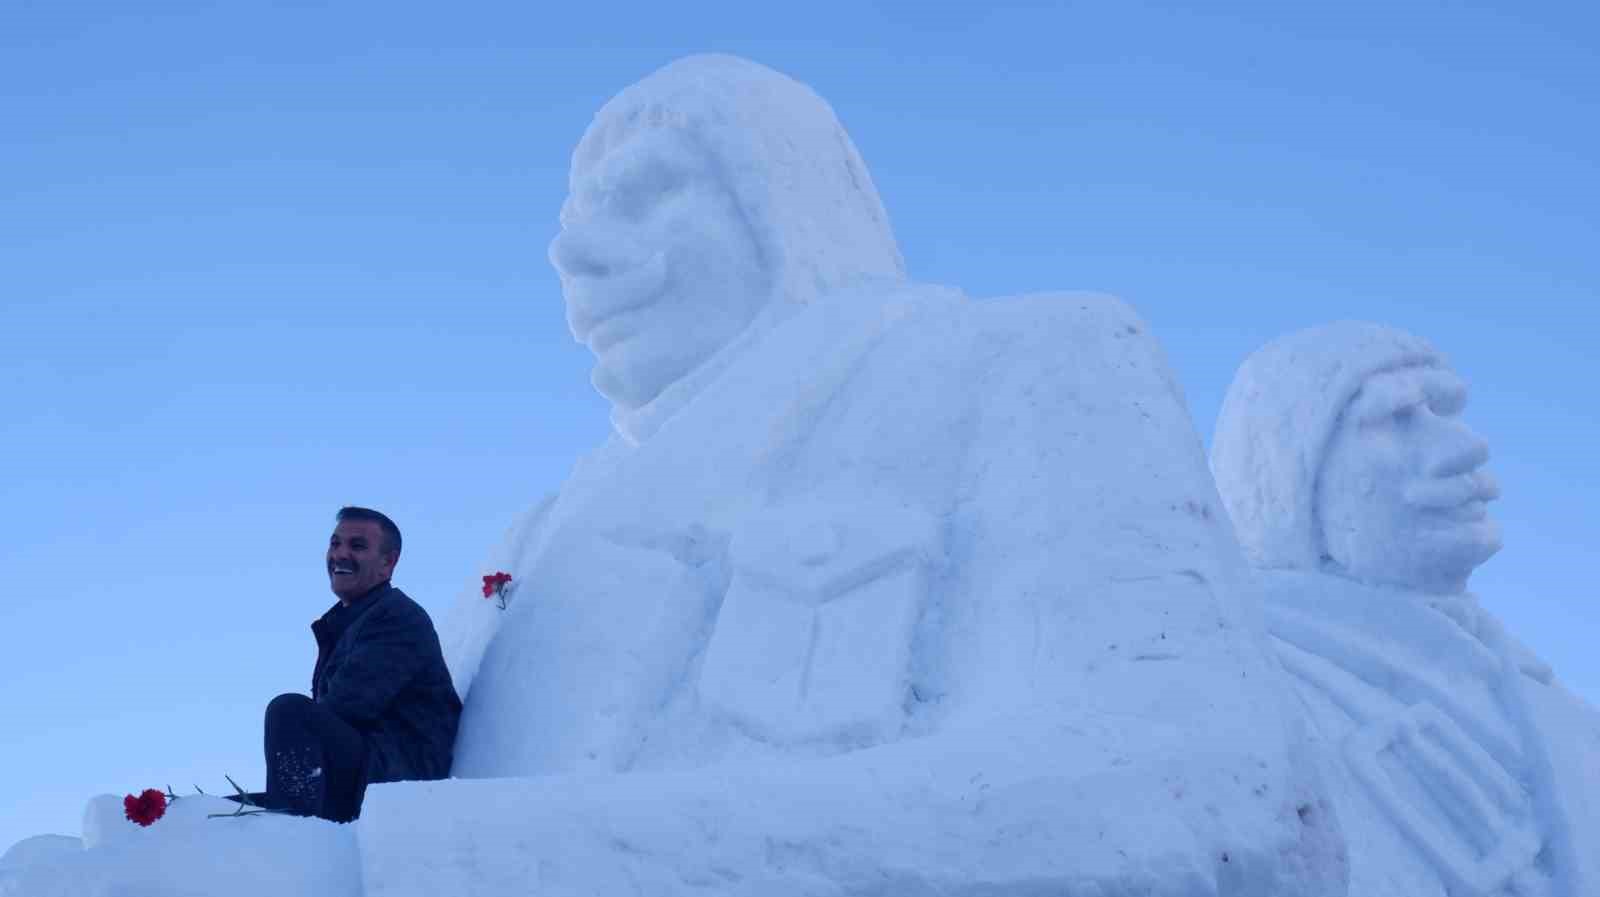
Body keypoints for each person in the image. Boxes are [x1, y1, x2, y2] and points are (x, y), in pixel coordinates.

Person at [423, 54, 1344, 896]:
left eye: (649, 191)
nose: (574, 256)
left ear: (784, 200)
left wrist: (455, 864)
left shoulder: (1023, 363)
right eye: (576, 220)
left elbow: (1207, 796)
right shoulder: (531, 543)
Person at [1211, 322, 1600, 896]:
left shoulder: (1555, 708)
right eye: (1394, 420)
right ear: (1288, 480)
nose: (1466, 448)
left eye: (1445, 413)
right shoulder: (1235, 695)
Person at [251, 506, 461, 822]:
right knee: (220, 808)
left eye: (357, 546)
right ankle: (287, 822)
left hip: (396, 780)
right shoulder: (351, 623)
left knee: (289, 711)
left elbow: (348, 707)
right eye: (335, 544)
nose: (341, 554)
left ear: (388, 563)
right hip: (364, 771)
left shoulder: (397, 617)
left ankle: (293, 835)